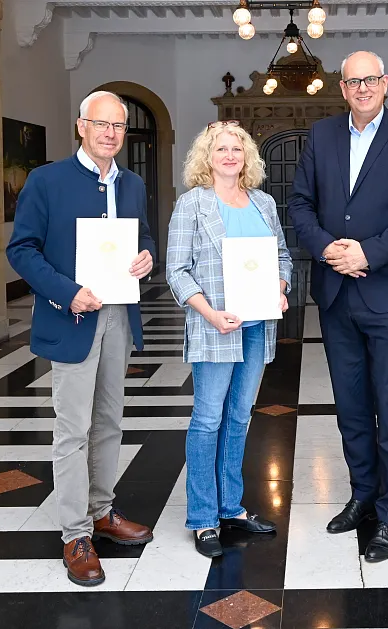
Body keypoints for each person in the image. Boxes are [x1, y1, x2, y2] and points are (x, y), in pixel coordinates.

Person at [288, 51, 388, 563]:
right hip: (335, 291)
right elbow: (300, 203)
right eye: (354, 81)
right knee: (350, 405)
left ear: (385, 82)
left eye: (371, 79)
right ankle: (363, 495)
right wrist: (328, 248)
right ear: (342, 87)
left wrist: (368, 253)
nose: (363, 87)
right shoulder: (322, 135)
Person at [7, 91, 156, 586]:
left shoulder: (132, 183)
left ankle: (102, 512)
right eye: (101, 123)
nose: (111, 133)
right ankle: (75, 534)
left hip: (119, 315)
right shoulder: (46, 180)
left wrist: (147, 256)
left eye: (119, 126)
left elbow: (143, 236)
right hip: (70, 316)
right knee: (73, 430)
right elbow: (22, 249)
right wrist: (67, 293)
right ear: (81, 126)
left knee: (109, 421)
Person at [166, 121, 293, 558]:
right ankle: (203, 518)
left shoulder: (262, 202)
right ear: (207, 156)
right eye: (220, 148)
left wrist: (280, 287)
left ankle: (230, 508)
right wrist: (209, 314)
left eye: (236, 149)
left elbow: (282, 256)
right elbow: (176, 270)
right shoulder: (192, 204)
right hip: (215, 326)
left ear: (247, 157)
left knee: (239, 417)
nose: (229, 155)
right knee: (208, 419)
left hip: (257, 326)